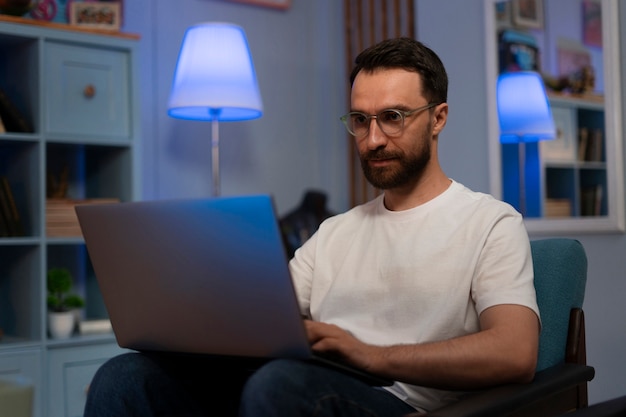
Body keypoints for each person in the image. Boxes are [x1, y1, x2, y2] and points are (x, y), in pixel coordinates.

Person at [84, 37, 540, 416]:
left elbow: (515, 353)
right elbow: (261, 320)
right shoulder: (334, 233)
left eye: (393, 118)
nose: (374, 139)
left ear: (437, 117)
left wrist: (370, 355)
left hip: (397, 402)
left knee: (280, 385)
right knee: (125, 377)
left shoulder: (490, 222)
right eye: (360, 121)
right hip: (299, 381)